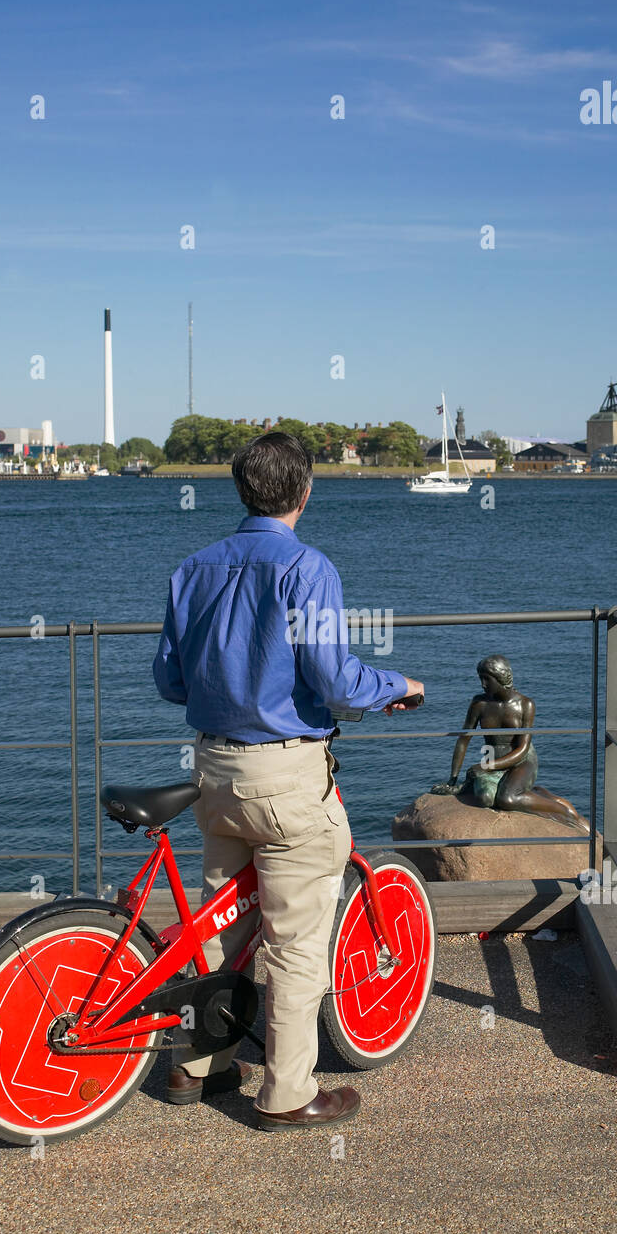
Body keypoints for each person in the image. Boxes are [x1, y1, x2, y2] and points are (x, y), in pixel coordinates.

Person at [152, 432, 424, 1131]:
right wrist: (396, 684)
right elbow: (334, 679)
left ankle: (199, 1063)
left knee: (220, 923)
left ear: (243, 489)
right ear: (305, 493)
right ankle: (288, 1094)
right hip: (287, 775)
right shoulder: (307, 569)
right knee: (298, 938)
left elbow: (169, 680)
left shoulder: (193, 568)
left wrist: (231, 686)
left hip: (212, 769)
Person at [431, 654, 588, 831]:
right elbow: (463, 740)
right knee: (485, 799)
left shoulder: (525, 704)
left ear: (501, 678)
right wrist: (453, 779)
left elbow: (522, 749)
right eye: (481, 679)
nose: (483, 684)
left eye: (487, 679)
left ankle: (564, 811)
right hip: (491, 757)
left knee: (508, 798)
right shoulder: (479, 703)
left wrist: (486, 767)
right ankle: (532, 793)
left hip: (521, 761)